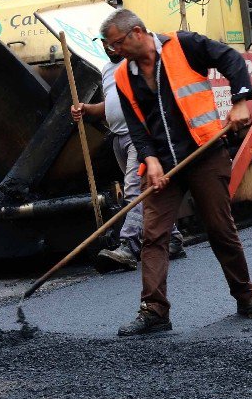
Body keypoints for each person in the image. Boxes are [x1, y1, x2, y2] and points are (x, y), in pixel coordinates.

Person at [101, 8, 252, 336]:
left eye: (118, 43)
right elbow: (137, 125)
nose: (115, 51)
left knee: (220, 229)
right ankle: (154, 310)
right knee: (153, 236)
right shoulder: (124, 75)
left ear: (137, 32)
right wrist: (150, 159)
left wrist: (240, 100)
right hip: (164, 164)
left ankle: (246, 295)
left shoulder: (185, 45)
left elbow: (232, 61)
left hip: (204, 153)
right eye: (111, 47)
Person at [71, 52, 187, 270]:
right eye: (104, 42)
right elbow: (110, 104)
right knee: (147, 191)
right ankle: (173, 238)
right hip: (119, 138)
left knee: (134, 191)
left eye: (112, 42)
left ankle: (128, 245)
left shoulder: (134, 64)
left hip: (140, 138)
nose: (109, 47)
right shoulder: (106, 70)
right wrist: (88, 109)